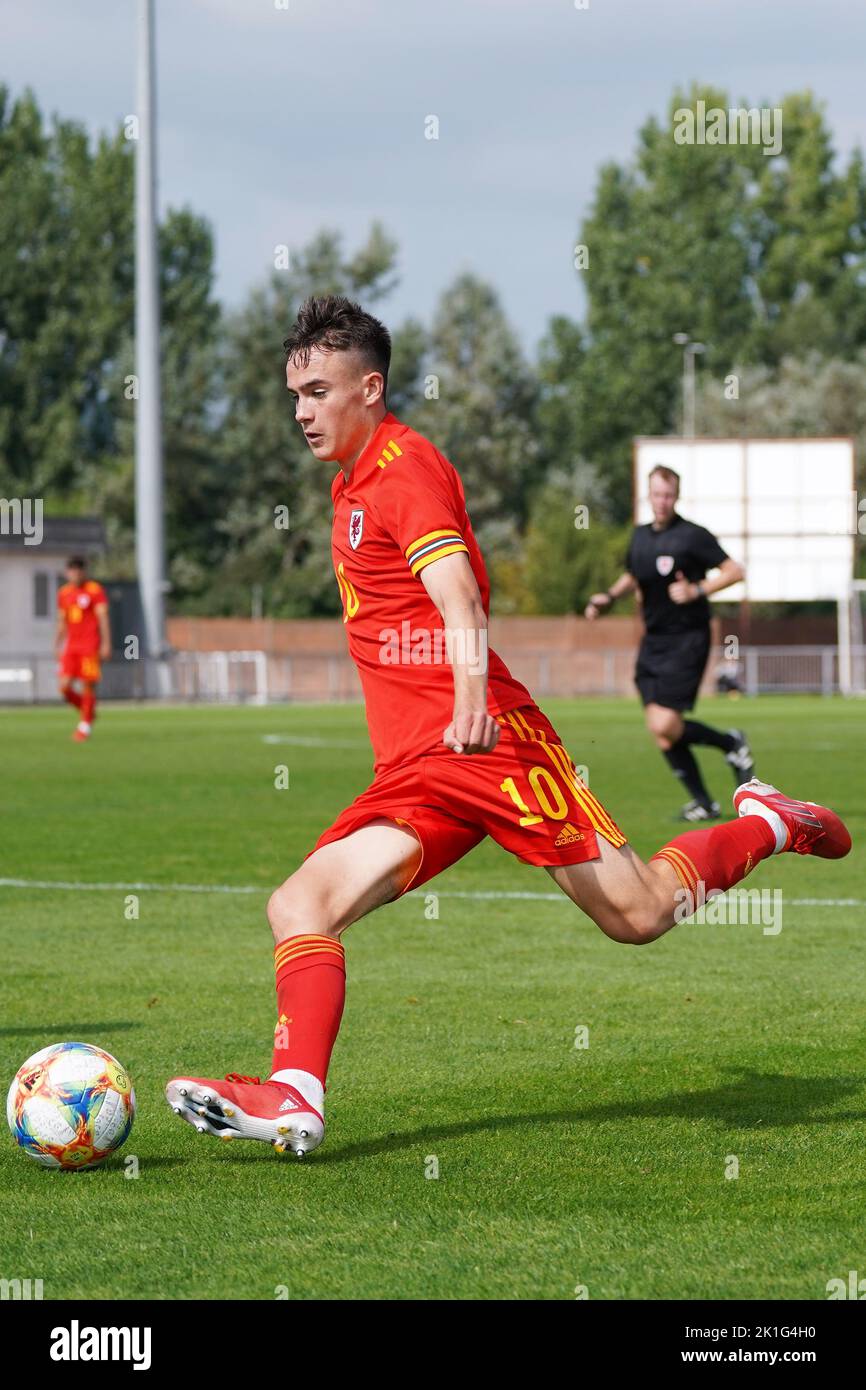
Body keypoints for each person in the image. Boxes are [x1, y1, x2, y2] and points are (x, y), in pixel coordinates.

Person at [166, 297, 851, 1158]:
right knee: (299, 904)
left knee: (635, 915)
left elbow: (454, 588)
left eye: (318, 389)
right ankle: (294, 1095)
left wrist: (469, 695)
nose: (301, 409)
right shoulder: (349, 481)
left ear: (369, 388)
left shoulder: (403, 468)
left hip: (487, 744)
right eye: (294, 392)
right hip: (418, 769)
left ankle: (768, 821)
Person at [585, 465, 754, 820]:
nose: (662, 501)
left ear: (676, 496)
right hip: (654, 641)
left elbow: (734, 570)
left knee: (664, 724)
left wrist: (697, 589)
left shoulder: (692, 536)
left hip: (687, 638)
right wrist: (608, 597)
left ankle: (731, 743)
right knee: (663, 734)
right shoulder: (640, 536)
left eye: (668, 495)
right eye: (656, 494)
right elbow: (633, 574)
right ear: (648, 495)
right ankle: (705, 802)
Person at [56, 557, 111, 742]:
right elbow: (62, 621)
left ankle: (84, 726)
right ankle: (89, 711)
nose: (76, 573)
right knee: (64, 687)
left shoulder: (94, 590)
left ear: (84, 571)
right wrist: (57, 643)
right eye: (72, 570)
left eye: (79, 569)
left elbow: (103, 618)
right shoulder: (64, 593)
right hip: (72, 647)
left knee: (88, 686)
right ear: (67, 572)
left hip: (90, 645)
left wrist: (106, 643)